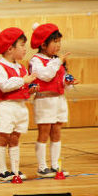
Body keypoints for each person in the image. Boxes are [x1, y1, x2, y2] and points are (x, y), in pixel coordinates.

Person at [29, 23, 77, 177]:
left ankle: (56, 165)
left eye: (59, 41)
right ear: (43, 45)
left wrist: (68, 82)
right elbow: (46, 75)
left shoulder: (58, 60)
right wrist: (58, 62)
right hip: (44, 100)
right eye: (54, 42)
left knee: (56, 132)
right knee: (44, 133)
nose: (58, 45)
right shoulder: (35, 60)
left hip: (59, 100)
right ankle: (42, 166)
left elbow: (60, 78)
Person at [0, 27, 37, 181]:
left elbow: (20, 87)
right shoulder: (0, 67)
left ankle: (15, 170)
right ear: (10, 48)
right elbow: (4, 85)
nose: (25, 49)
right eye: (22, 45)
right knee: (4, 137)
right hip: (6, 107)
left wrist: (30, 90)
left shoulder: (20, 67)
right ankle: (2, 170)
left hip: (20, 106)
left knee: (15, 138)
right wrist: (23, 80)